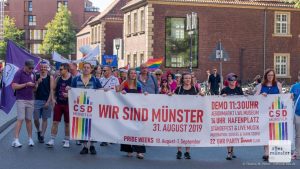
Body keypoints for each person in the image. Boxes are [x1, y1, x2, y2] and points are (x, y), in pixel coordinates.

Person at [71, 62, 102, 155]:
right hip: (80, 108)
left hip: (92, 107)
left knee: (92, 126)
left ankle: (92, 146)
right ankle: (84, 146)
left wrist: (104, 90)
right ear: (82, 69)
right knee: (82, 127)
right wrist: (68, 90)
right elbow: (72, 91)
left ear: (91, 69)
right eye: (84, 67)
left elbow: (100, 91)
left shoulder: (95, 80)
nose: (86, 69)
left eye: (88, 67)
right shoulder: (76, 79)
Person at [172, 72, 203, 159]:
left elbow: (199, 99)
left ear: (191, 79)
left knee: (188, 133)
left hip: (190, 115)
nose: (187, 80)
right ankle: (179, 151)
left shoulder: (195, 88)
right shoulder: (179, 89)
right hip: (180, 115)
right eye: (186, 78)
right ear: (183, 79)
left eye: (189, 78)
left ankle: (187, 152)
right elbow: (173, 98)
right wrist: (170, 95)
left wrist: (202, 95)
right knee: (180, 133)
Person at [117, 68, 146, 159]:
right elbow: (117, 93)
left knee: (138, 130)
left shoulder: (138, 84)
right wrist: (121, 92)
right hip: (126, 110)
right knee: (126, 129)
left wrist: (144, 94)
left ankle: (139, 151)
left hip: (136, 110)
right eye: (131, 73)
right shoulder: (124, 83)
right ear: (128, 74)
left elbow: (141, 95)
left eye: (134, 73)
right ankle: (128, 149)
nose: (133, 74)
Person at [255, 68, 282, 162]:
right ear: (266, 76)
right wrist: (261, 95)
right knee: (265, 132)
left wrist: (289, 96)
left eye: (272, 75)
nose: (270, 77)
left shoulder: (278, 85)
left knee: (274, 132)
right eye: (269, 75)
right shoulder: (260, 86)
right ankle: (266, 151)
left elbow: (282, 97)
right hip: (264, 112)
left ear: (274, 76)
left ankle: (271, 151)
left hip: (275, 113)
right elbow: (255, 98)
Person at [46, 63, 72, 148]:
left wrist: (69, 94)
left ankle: (67, 140)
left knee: (67, 123)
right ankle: (52, 139)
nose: (59, 71)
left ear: (66, 70)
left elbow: (77, 91)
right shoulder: (58, 78)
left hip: (68, 104)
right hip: (59, 103)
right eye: (59, 69)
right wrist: (53, 99)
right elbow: (53, 89)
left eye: (61, 69)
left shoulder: (73, 79)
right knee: (55, 122)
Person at [11, 59, 36, 147]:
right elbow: (14, 86)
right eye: (30, 68)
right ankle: (16, 140)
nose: (31, 69)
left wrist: (35, 86)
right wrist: (26, 84)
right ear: (25, 66)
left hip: (30, 99)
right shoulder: (19, 73)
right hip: (21, 99)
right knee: (20, 119)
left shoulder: (33, 74)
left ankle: (30, 139)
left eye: (32, 68)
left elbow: (33, 88)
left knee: (29, 119)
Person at [221, 73, 243, 160]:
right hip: (227, 115)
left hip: (236, 115)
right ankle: (229, 152)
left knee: (233, 135)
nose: (233, 81)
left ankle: (232, 150)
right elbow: (218, 101)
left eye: (234, 80)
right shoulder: (225, 90)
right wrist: (222, 97)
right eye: (231, 80)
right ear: (228, 81)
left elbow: (243, 101)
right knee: (228, 134)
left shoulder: (239, 89)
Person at [99, 65, 120, 146]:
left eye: (105, 70)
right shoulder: (100, 79)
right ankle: (104, 139)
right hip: (103, 102)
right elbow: (97, 89)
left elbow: (118, 90)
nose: (103, 72)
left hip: (112, 102)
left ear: (110, 71)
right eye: (103, 70)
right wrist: (102, 90)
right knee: (104, 121)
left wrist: (111, 90)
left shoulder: (115, 79)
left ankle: (112, 138)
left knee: (112, 121)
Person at [33, 61, 54, 143]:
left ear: (47, 68)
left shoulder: (50, 77)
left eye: (45, 67)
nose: (43, 68)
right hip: (37, 100)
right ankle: (38, 130)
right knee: (35, 118)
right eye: (42, 67)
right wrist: (37, 82)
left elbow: (51, 91)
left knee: (45, 119)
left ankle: (42, 135)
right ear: (40, 67)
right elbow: (34, 90)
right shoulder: (36, 76)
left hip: (46, 100)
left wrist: (48, 102)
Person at [290, 71, 300, 160]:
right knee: (298, 134)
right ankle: (297, 152)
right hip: (297, 113)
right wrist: (291, 96)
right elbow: (290, 98)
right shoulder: (294, 87)